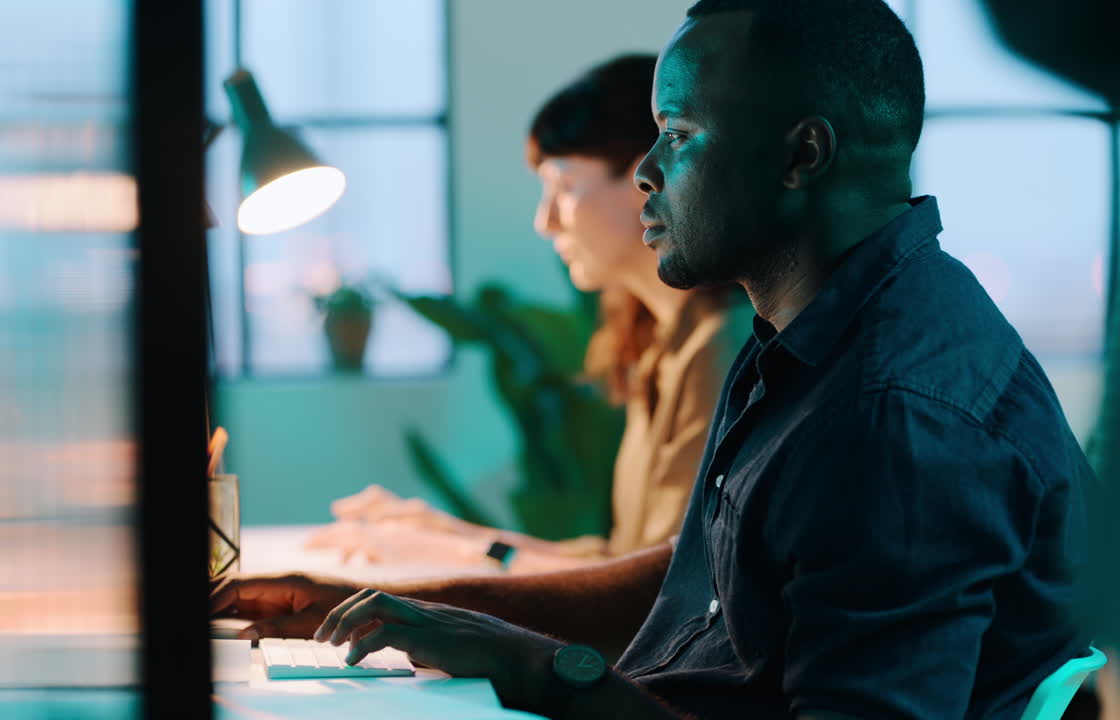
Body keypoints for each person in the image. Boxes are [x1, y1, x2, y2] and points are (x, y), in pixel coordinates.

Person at [212, 2, 1093, 717]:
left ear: (802, 154)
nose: (644, 168)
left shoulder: (894, 415)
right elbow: (698, 585)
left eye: (676, 130)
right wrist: (424, 608)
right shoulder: (818, 331)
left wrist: (537, 667)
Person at [307, 54, 753, 573]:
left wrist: (456, 554)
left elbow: (659, 590)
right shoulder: (659, 347)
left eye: (563, 188)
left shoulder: (720, 347)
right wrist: (458, 536)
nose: (545, 222)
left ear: (648, 177)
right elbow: (622, 560)